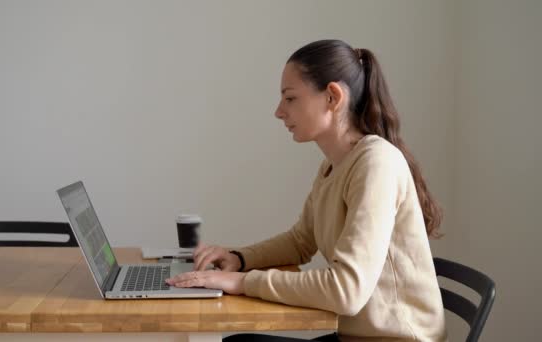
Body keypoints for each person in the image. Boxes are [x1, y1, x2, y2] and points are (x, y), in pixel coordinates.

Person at [166, 39, 448, 342]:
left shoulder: (375, 163)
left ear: (332, 96)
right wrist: (239, 258)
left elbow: (346, 291)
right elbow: (301, 241)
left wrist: (243, 281)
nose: (278, 111)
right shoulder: (334, 166)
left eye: (290, 99)